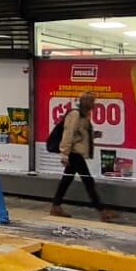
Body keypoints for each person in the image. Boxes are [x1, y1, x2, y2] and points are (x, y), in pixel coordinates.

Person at [52, 93, 119, 222]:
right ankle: (102, 211)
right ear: (87, 103)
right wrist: (64, 154)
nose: (94, 105)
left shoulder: (84, 116)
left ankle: (56, 206)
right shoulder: (75, 115)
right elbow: (68, 133)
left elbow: (81, 134)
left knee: (66, 180)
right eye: (92, 102)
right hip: (73, 153)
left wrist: (93, 135)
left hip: (75, 152)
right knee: (88, 181)